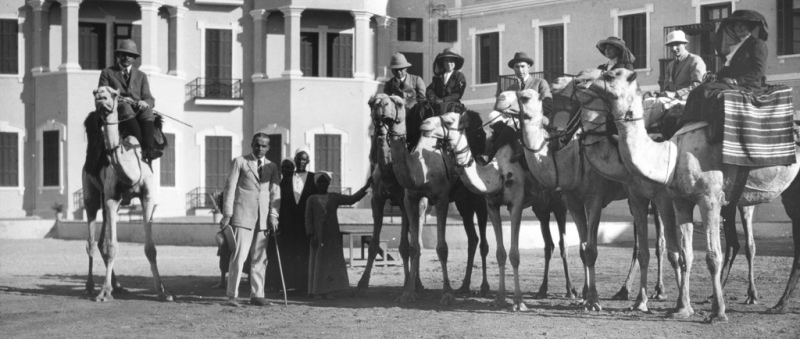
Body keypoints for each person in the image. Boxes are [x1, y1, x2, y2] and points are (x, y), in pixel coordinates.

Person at [678, 10, 769, 134]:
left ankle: (715, 128)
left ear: (749, 27)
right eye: (736, 25)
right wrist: (715, 75)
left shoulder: (757, 44)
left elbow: (759, 70)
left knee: (707, 91)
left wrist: (737, 80)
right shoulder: (739, 45)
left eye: (742, 25)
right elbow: (730, 68)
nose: (739, 28)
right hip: (736, 84)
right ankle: (688, 124)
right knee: (700, 89)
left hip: (750, 86)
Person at [220, 133, 281, 307]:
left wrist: (274, 215)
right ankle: (232, 295)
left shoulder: (272, 166)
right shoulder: (240, 161)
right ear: (252, 144)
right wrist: (227, 214)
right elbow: (229, 189)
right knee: (239, 256)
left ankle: (257, 294)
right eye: (257, 145)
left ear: (268, 148)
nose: (260, 149)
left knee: (260, 258)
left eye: (264, 146)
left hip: (263, 219)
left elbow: (275, 192)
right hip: (242, 216)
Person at [305, 174, 371, 299]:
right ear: (316, 184)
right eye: (320, 182)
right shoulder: (311, 199)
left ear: (329, 184)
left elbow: (352, 199)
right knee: (317, 262)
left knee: (330, 262)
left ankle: (328, 290)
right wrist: (311, 234)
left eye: (325, 182)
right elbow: (308, 219)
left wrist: (366, 187)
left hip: (331, 235)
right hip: (317, 236)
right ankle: (316, 291)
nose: (322, 185)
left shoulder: (334, 197)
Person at [98, 39, 161, 160]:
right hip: (118, 109)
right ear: (118, 55)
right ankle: (141, 146)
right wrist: (121, 99)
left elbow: (149, 97)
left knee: (148, 111)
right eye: (124, 54)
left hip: (137, 109)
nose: (127, 57)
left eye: (130, 55)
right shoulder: (107, 73)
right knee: (125, 107)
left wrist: (145, 103)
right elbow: (103, 94)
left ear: (134, 58)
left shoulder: (141, 75)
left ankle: (149, 149)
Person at [268, 148, 319, 296]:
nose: (301, 162)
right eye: (298, 159)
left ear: (308, 161)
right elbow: (279, 201)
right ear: (294, 160)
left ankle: (304, 287)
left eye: (304, 159)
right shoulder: (285, 179)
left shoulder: (314, 178)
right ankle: (289, 286)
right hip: (288, 225)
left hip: (305, 225)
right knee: (288, 255)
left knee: (304, 255)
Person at [380, 53, 428, 152]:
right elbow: (386, 100)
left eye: (401, 69)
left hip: (413, 114)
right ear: (392, 71)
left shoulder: (416, 80)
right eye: (396, 69)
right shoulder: (389, 85)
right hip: (396, 115)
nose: (399, 72)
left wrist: (407, 102)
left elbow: (422, 97)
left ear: (406, 68)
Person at [662, 30, 707, 100]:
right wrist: (661, 94)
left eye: (677, 44)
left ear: (685, 44)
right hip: (673, 103)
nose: (674, 48)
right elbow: (667, 88)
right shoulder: (670, 66)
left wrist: (676, 94)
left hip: (690, 103)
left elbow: (699, 85)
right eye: (671, 45)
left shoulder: (695, 60)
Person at [426, 47, 467, 116]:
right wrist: (432, 98)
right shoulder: (438, 77)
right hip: (437, 103)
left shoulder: (459, 76)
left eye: (451, 61)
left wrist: (443, 100)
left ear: (455, 62)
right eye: (446, 61)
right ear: (443, 62)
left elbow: (457, 94)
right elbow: (430, 89)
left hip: (452, 104)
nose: (448, 63)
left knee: (443, 107)